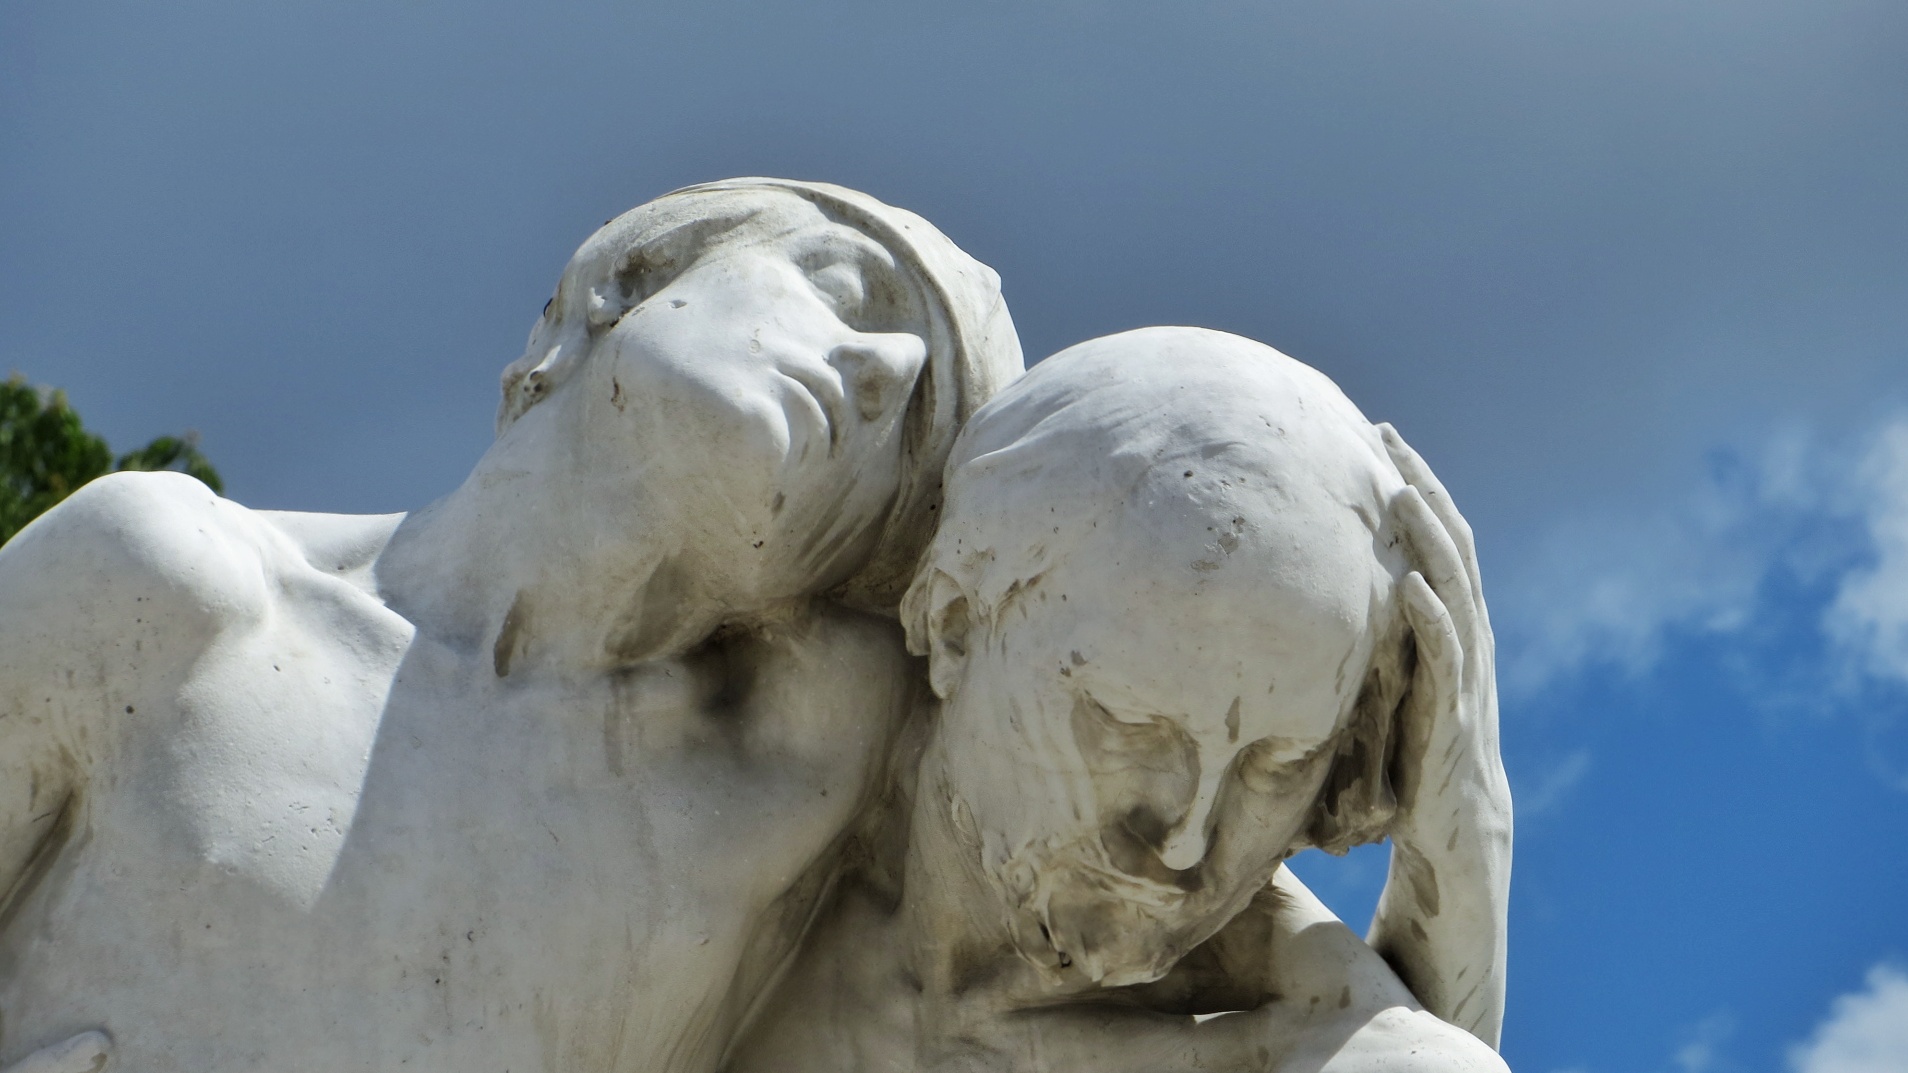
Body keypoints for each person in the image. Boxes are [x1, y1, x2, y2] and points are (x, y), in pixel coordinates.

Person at [0, 179, 1021, 1073]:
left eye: (911, 450)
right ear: (628, 276)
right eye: (845, 290)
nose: (888, 368)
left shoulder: (796, 781)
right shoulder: (159, 580)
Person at [727, 326, 1513, 1072]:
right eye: (1131, 726)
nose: (1185, 842)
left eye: (1278, 765)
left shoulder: (1314, 1042)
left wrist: (1465, 848)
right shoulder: (728, 796)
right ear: (957, 622)